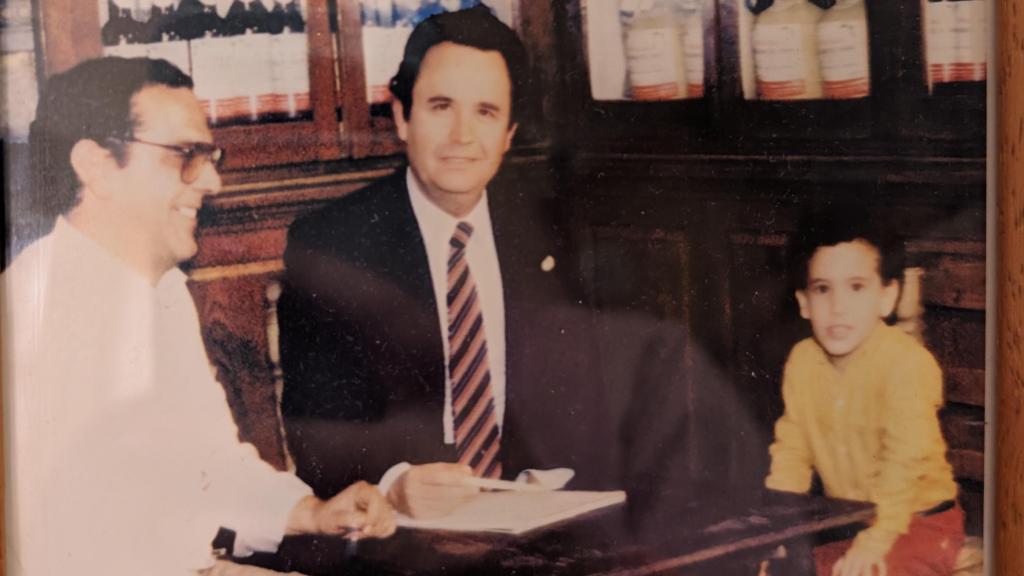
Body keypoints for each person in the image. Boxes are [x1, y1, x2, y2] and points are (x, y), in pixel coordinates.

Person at [278, 5, 705, 520]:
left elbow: (595, 411)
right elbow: (318, 435)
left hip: (542, 524)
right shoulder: (334, 245)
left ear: (507, 133)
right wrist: (395, 485)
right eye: (440, 107)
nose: (462, 136)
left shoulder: (555, 234)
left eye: (485, 112)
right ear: (402, 117)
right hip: (402, 536)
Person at [2, 57, 396, 576]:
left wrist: (311, 512)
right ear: (95, 166)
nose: (212, 181)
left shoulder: (160, 290)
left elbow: (209, 468)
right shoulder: (36, 320)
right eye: (185, 155)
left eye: (210, 156)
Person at [764, 207, 964, 576]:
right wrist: (775, 530)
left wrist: (875, 540)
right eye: (823, 289)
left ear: (887, 298)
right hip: (850, 519)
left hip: (920, 522)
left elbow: (903, 464)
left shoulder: (908, 364)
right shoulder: (802, 361)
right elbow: (791, 452)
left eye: (856, 287)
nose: (838, 307)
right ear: (804, 302)